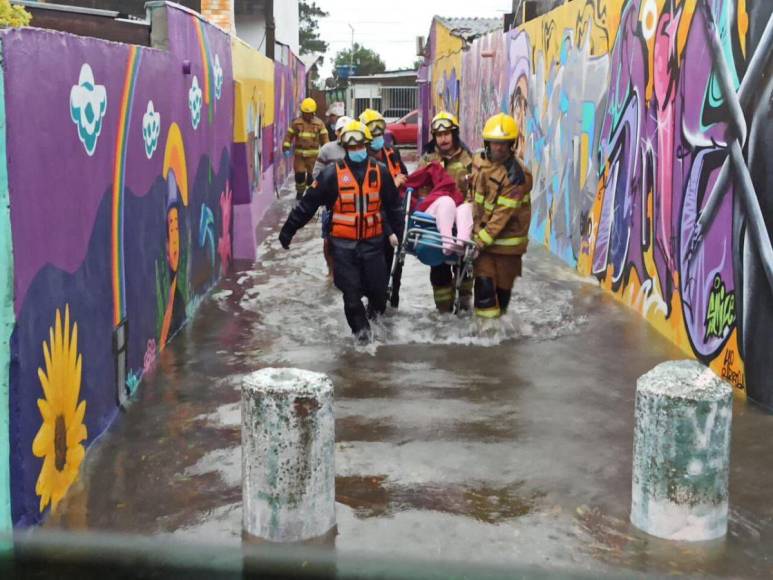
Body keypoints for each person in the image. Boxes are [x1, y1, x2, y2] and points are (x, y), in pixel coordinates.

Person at [279, 121, 404, 342]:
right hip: (344, 248)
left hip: (373, 245)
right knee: (352, 297)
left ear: (366, 145)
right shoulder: (330, 175)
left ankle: (375, 326)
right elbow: (308, 205)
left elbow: (394, 207)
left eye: (359, 146)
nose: (356, 151)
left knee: (378, 295)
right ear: (344, 147)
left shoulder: (381, 172)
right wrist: (288, 230)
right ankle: (363, 341)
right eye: (351, 147)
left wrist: (401, 237)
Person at [469, 112, 533, 319]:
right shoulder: (479, 158)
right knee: (484, 291)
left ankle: (498, 337)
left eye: (505, 143)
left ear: (511, 144)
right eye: (495, 143)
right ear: (487, 142)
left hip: (507, 247)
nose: (499, 147)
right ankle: (486, 340)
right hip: (484, 242)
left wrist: (479, 242)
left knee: (501, 297)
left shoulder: (517, 175)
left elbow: (501, 216)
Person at [414, 111, 475, 312]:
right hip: (437, 223)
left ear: (454, 134)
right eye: (439, 135)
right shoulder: (428, 161)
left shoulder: (469, 160)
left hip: (463, 220)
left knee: (466, 268)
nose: (443, 138)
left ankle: (465, 305)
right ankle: (444, 315)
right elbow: (420, 193)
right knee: (439, 268)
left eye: (447, 133)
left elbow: (476, 193)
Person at [313, 116, 352, 276]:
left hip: (351, 202)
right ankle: (331, 271)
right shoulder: (327, 150)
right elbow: (317, 173)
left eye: (347, 131)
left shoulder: (357, 148)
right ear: (336, 132)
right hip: (330, 203)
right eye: (341, 131)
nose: (344, 135)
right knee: (328, 239)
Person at [282, 97, 329, 200]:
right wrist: (286, 147)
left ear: (313, 113)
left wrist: (327, 152)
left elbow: (325, 138)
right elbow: (289, 136)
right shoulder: (296, 123)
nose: (307, 115)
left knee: (312, 177)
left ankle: (310, 194)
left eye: (309, 113)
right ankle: (300, 193)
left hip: (314, 156)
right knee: (299, 175)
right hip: (300, 156)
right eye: (305, 113)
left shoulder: (319, 124)